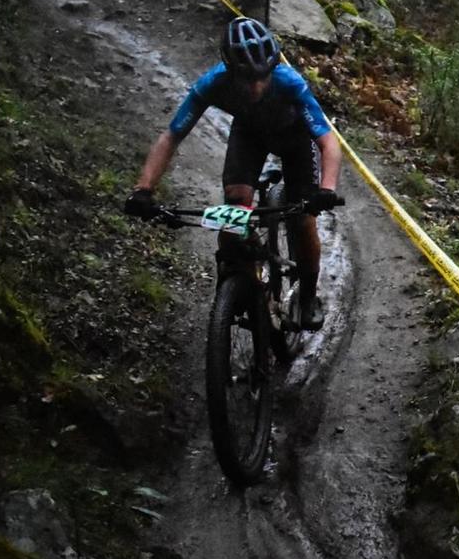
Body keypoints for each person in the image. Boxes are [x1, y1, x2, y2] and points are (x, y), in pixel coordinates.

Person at [125, 16, 345, 329]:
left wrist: (326, 189)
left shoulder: (290, 82)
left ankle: (308, 296)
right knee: (235, 206)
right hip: (250, 135)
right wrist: (143, 189)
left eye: (262, 77)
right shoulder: (212, 83)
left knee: (302, 218)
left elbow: (327, 142)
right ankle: (237, 282)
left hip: (296, 140)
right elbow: (171, 136)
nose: (255, 85)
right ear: (231, 72)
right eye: (246, 79)